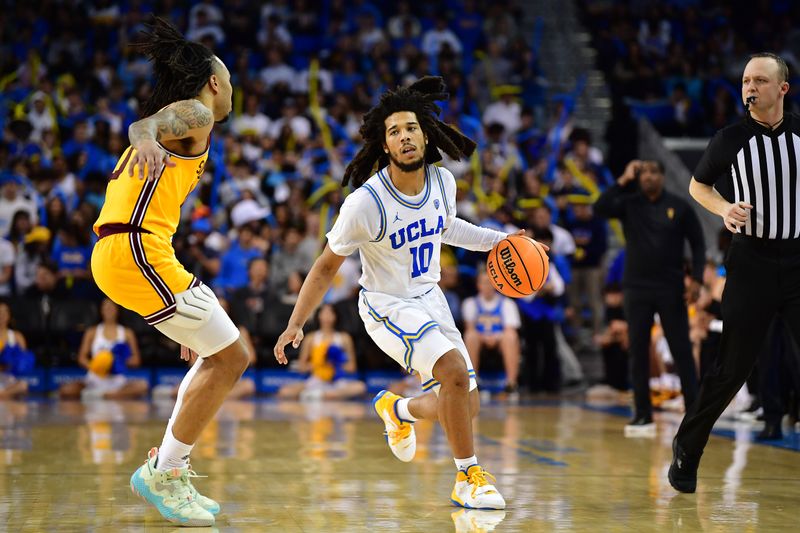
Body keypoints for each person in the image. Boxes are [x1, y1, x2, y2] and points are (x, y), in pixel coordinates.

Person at [274, 77, 540, 509]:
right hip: (386, 305)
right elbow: (325, 265)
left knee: (465, 404)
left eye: (411, 128)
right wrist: (295, 323)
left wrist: (500, 240)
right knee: (453, 372)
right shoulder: (365, 204)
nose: (404, 136)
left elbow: (447, 227)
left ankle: (398, 411)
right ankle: (467, 477)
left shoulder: (442, 182)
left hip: (429, 299)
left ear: (425, 134)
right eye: (394, 131)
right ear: (384, 146)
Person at [90, 18, 249, 526]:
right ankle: (164, 471)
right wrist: (146, 136)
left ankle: (167, 470)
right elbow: (144, 127)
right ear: (216, 82)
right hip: (133, 250)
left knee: (218, 353)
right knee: (232, 358)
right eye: (229, 81)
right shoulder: (198, 112)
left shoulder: (192, 125)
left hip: (138, 252)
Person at [670, 53, 800, 492]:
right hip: (752, 263)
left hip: (799, 259)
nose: (750, 87)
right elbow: (696, 186)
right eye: (745, 80)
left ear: (782, 88)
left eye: (760, 80)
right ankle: (688, 449)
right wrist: (725, 209)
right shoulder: (730, 139)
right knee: (732, 368)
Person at [595, 159, 705, 437]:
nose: (648, 178)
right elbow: (600, 207)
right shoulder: (629, 203)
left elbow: (699, 242)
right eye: (643, 173)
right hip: (636, 288)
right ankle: (642, 415)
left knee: (681, 349)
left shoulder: (679, 207)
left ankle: (694, 414)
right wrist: (622, 178)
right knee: (638, 351)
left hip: (670, 287)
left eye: (654, 172)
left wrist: (698, 279)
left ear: (663, 176)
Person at [59, 298, 149, 400]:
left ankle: (105, 395)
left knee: (143, 386)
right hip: (94, 379)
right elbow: (81, 358)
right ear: (101, 310)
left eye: (111, 307)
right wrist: (97, 365)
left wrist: (116, 363)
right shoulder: (92, 331)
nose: (108, 310)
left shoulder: (127, 332)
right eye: (106, 307)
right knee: (66, 390)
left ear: (117, 310)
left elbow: (136, 360)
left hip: (117, 381)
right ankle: (107, 395)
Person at [277, 304, 366, 401]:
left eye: (330, 313)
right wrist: (320, 363)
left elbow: (352, 367)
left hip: (337, 382)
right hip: (316, 380)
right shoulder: (310, 338)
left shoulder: (344, 338)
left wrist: (334, 364)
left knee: (360, 387)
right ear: (318, 315)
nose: (327, 316)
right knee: (285, 391)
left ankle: (319, 395)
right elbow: (302, 367)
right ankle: (324, 395)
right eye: (324, 313)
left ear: (336, 316)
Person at [461, 270, 522, 398]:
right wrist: (485, 337)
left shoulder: (507, 303)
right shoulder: (470, 303)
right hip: (480, 341)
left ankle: (511, 384)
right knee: (470, 336)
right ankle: (474, 383)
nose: (487, 286)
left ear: (496, 284)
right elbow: (470, 328)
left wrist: (495, 337)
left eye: (490, 283)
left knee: (510, 337)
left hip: (500, 342)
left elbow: (510, 329)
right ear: (478, 285)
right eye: (484, 283)